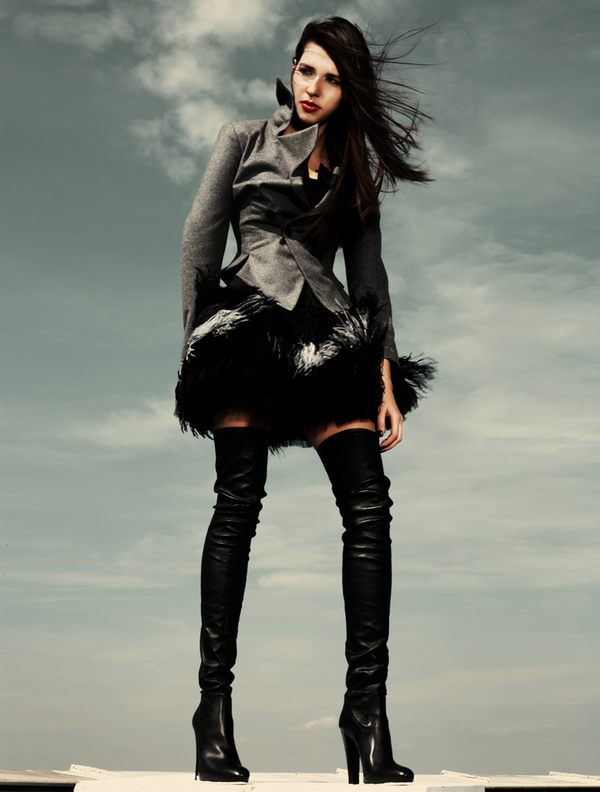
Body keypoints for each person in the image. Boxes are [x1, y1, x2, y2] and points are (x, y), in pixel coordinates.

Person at [175, 16, 435, 785]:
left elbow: (370, 280)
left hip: (328, 333)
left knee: (369, 504)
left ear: (348, 88)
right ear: (290, 70)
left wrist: (385, 378)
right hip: (245, 325)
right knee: (238, 503)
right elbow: (198, 239)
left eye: (331, 77)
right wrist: (194, 341)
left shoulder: (356, 170)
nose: (314, 87)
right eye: (305, 70)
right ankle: (213, 712)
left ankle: (367, 714)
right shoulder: (241, 139)